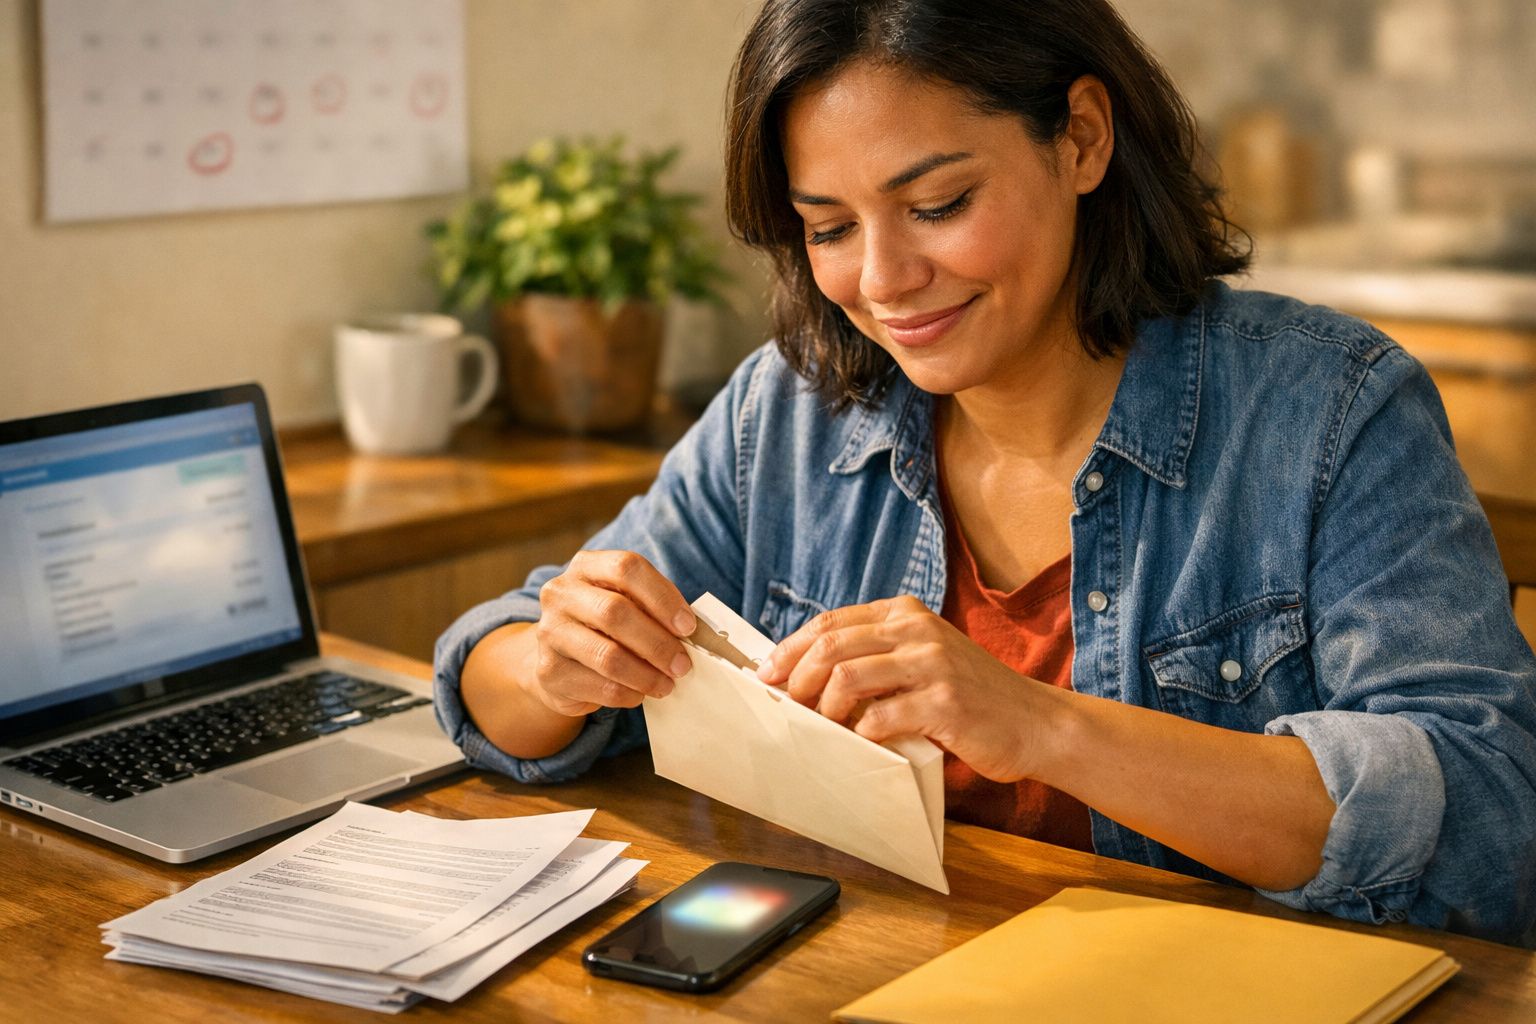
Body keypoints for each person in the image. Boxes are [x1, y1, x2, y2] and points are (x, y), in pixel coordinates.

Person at [435, 0, 1536, 945]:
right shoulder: (792, 411)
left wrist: (1043, 724)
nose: (882, 281)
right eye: (827, 228)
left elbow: (1493, 812)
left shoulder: (1329, 410)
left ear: (1083, 139)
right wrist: (553, 666)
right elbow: (495, 666)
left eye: (938, 205)